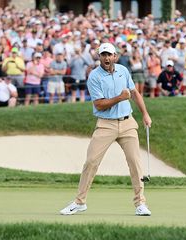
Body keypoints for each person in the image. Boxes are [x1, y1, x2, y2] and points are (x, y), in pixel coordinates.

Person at [60, 43, 152, 216]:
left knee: (135, 163)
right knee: (91, 162)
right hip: (105, 124)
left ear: (115, 56)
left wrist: (145, 114)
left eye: (110, 55)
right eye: (103, 55)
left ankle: (140, 204)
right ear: (99, 56)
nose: (107, 58)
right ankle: (80, 202)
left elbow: (135, 93)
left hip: (127, 123)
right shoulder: (94, 76)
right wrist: (120, 98)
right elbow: (100, 105)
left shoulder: (124, 71)